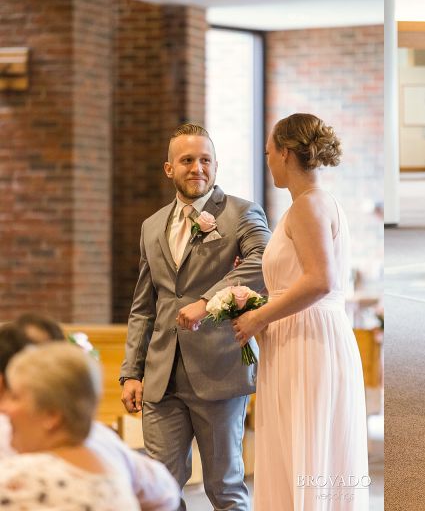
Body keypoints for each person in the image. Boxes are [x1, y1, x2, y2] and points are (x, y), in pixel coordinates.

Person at [120, 123, 271, 510]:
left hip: (219, 370)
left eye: (205, 160)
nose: (197, 168)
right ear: (169, 168)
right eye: (187, 160)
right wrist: (132, 372)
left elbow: (262, 262)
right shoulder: (151, 226)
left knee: (224, 488)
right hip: (160, 378)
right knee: (159, 489)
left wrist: (207, 301)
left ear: (216, 166)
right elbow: (143, 306)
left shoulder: (241, 213)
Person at [232, 113, 369, 510]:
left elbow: (319, 280)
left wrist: (259, 316)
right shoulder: (311, 204)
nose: (268, 160)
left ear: (287, 153)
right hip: (300, 336)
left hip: (309, 341)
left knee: (307, 443)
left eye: (269, 152)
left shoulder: (309, 206)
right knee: (298, 446)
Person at [0, 320, 180, 510]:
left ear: (52, 414)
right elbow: (165, 492)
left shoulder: (20, 479)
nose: (8, 409)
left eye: (17, 397)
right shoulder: (101, 441)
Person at [0, 341, 140, 509]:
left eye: (15, 397)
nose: (4, 408)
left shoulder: (19, 483)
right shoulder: (117, 481)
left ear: (52, 415)